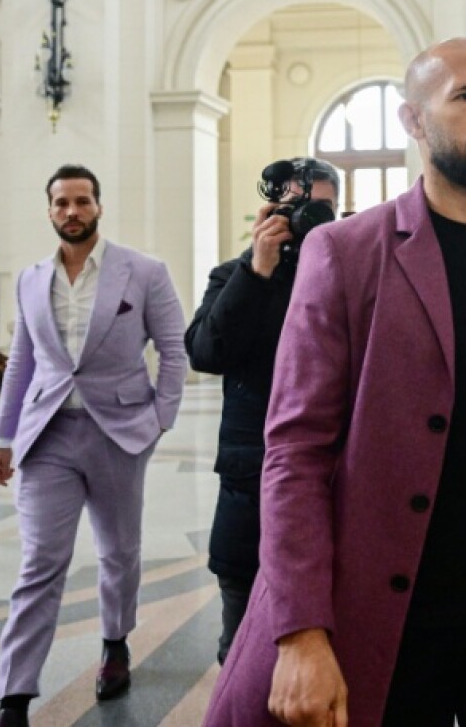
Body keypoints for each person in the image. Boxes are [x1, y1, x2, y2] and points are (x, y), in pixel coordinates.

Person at [204, 37, 466, 727]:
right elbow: (295, 449)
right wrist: (300, 628)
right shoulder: (345, 252)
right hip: (397, 606)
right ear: (412, 121)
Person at [0, 165, 187, 727]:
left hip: (119, 432)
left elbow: (174, 350)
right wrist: (3, 436)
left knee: (118, 552)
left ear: (98, 206)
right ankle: (15, 695)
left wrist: (159, 419)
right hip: (48, 435)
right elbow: (22, 363)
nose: (71, 211)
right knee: (39, 563)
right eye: (61, 203)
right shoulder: (30, 280)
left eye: (81, 201)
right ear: (48, 210)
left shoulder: (143, 272)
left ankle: (115, 641)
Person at [185, 158, 340, 665]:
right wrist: (258, 269)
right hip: (250, 480)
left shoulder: (350, 273)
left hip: (335, 475)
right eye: (297, 210)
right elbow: (206, 353)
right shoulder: (236, 274)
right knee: (241, 640)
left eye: (320, 211)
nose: (307, 222)